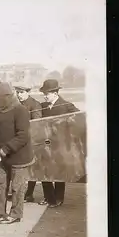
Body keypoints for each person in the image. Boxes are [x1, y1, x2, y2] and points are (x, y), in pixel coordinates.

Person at [0, 82, 35, 225]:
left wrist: (5, 149)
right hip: (4, 155)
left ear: (6, 97)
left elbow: (23, 136)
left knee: (17, 187)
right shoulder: (2, 110)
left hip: (19, 156)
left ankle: (16, 214)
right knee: (0, 183)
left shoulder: (20, 110)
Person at [38, 79, 80, 208]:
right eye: (44, 93)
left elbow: (79, 119)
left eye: (47, 93)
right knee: (45, 170)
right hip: (46, 144)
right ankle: (48, 196)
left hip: (60, 145)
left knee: (58, 171)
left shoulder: (67, 105)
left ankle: (58, 198)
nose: (45, 96)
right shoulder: (43, 106)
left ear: (55, 93)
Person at [14, 85, 43, 203]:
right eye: (17, 92)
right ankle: (22, 192)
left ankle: (29, 193)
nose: (19, 95)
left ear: (27, 92)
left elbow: (37, 124)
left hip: (31, 141)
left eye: (21, 92)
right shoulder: (16, 105)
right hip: (19, 141)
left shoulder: (35, 104)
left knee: (31, 168)